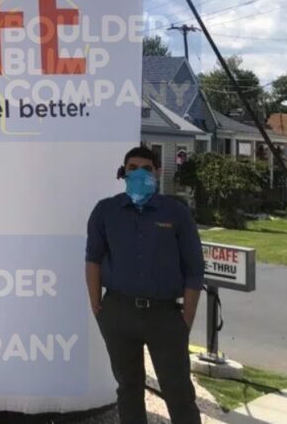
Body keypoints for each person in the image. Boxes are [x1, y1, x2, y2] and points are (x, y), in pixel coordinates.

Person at [85, 146, 205, 424]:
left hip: (164, 316)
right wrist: (98, 306)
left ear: (157, 172)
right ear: (123, 173)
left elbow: (194, 269)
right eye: (132, 168)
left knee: (178, 392)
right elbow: (92, 259)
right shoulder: (106, 211)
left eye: (146, 169)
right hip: (118, 312)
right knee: (128, 389)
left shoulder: (176, 213)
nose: (139, 174)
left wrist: (185, 318)